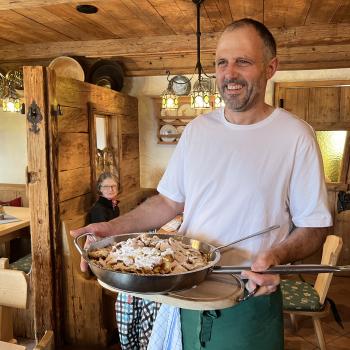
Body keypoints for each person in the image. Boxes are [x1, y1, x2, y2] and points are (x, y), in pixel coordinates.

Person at [72, 18, 332, 350]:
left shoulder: (296, 136)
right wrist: (111, 227)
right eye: (221, 62)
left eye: (243, 61)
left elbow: (315, 226)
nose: (229, 73)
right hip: (183, 294)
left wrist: (277, 256)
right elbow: (167, 203)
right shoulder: (197, 130)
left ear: (271, 67)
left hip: (248, 299)